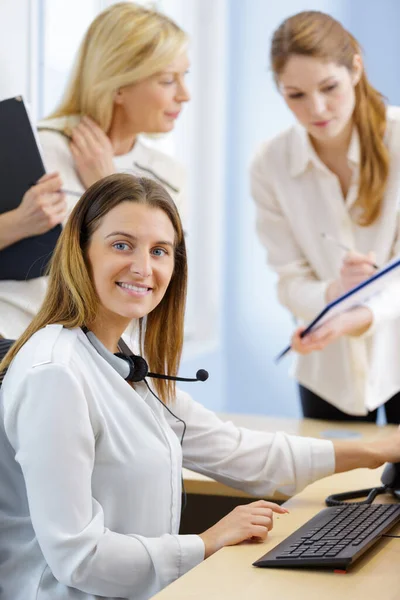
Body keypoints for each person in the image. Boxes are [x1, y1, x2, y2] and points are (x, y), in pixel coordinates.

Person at [1, 173, 400, 600]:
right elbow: (79, 558)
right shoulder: (55, 374)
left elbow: (239, 452)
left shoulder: (124, 359)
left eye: (159, 251)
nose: (143, 267)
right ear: (81, 253)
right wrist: (208, 542)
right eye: (121, 245)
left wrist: (381, 449)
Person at [0, 1, 190, 339]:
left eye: (183, 78)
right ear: (118, 84)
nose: (185, 95)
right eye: (167, 81)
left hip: (97, 355)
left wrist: (105, 189)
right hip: (12, 342)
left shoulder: (168, 178)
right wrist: (16, 224)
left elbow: (153, 285)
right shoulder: (39, 147)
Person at [250, 10, 400, 422]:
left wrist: (361, 315)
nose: (316, 108)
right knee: (331, 488)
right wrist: (334, 291)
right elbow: (289, 279)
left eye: (329, 87)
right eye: (295, 95)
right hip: (328, 370)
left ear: (355, 68)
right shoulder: (270, 163)